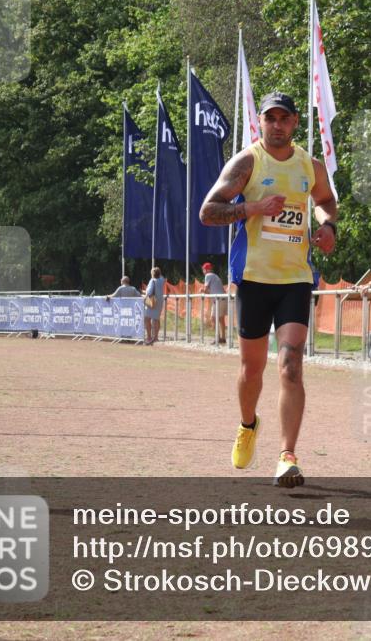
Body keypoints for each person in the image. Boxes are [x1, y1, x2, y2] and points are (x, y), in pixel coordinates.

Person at [199, 91, 338, 488]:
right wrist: (251, 208)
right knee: (252, 370)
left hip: (294, 278)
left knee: (291, 363)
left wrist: (327, 227)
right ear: (260, 123)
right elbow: (208, 211)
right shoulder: (248, 162)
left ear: (295, 122)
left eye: (284, 118)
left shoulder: (309, 165)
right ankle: (247, 425)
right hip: (255, 279)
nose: (276, 125)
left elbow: (326, 202)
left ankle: (287, 456)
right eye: (269, 119)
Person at [202, 262, 228, 343]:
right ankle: (223, 338)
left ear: (205, 269)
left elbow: (205, 290)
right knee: (221, 319)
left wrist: (201, 290)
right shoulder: (215, 275)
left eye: (203, 269)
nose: (203, 271)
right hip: (223, 298)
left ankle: (217, 338)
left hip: (218, 299)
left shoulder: (208, 275)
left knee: (213, 318)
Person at [143, 267, 165, 345]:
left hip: (152, 302)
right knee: (156, 319)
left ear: (152, 274)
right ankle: (156, 337)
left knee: (147, 319)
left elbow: (149, 292)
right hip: (160, 301)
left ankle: (149, 337)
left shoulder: (152, 281)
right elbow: (161, 276)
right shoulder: (162, 280)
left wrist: (144, 293)